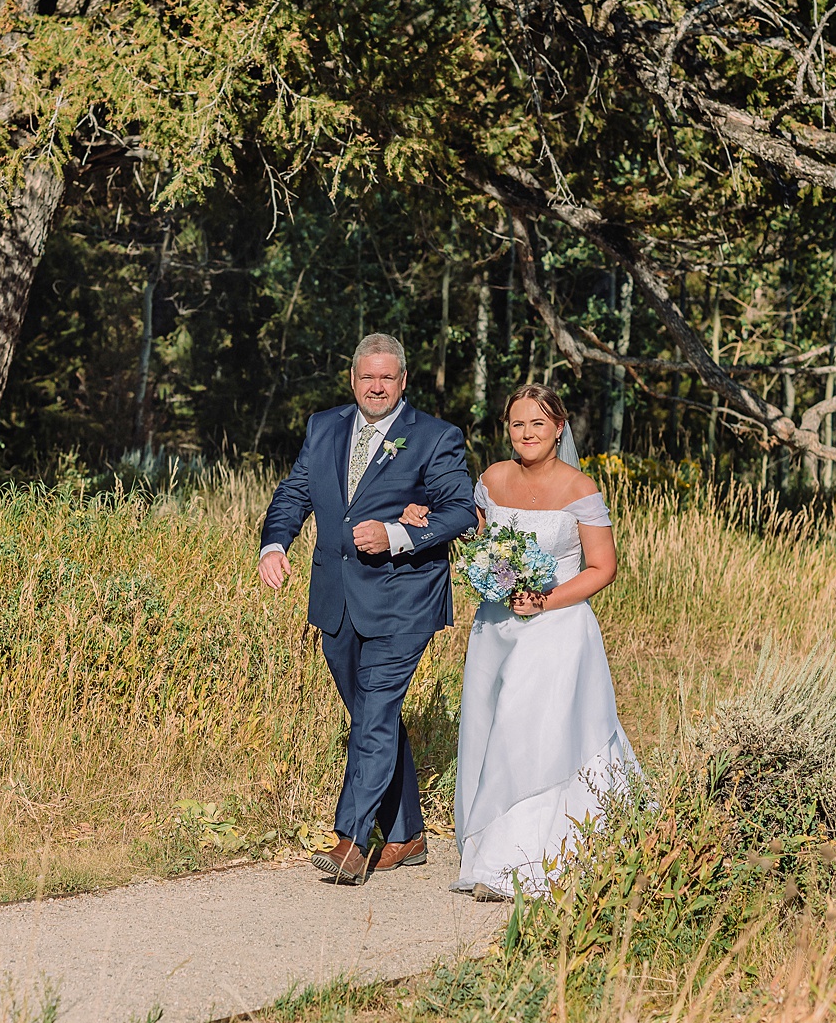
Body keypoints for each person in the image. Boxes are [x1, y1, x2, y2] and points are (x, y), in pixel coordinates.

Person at [400, 383, 635, 901]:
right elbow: (477, 541)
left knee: (529, 734)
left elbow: (603, 567)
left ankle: (516, 861)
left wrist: (545, 601)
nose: (526, 433)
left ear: (558, 428)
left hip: (557, 629)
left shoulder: (581, 489)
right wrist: (425, 516)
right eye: (517, 424)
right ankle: (489, 842)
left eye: (537, 423)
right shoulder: (492, 479)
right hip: (495, 629)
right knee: (490, 728)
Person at [258, 333, 477, 885]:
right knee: (370, 718)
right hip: (335, 598)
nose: (376, 387)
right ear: (352, 380)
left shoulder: (434, 437)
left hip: (402, 600)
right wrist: (274, 544)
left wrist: (399, 534)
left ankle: (352, 840)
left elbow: (460, 513)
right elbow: (295, 492)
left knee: (375, 713)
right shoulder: (323, 426)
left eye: (387, 377)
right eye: (366, 377)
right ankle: (407, 834)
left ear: (403, 381)